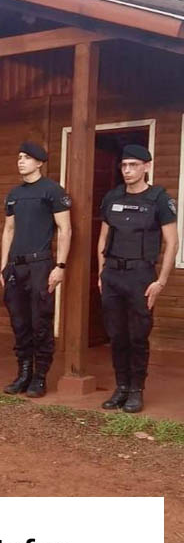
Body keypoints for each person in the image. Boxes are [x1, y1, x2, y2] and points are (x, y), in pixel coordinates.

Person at [97, 144, 178, 413]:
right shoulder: (112, 197)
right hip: (113, 274)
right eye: (124, 165)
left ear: (146, 167)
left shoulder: (159, 199)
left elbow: (172, 242)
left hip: (141, 276)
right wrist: (101, 273)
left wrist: (160, 281)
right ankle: (121, 387)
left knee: (137, 336)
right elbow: (103, 239)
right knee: (116, 334)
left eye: (133, 165)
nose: (127, 170)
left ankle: (136, 390)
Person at [0, 142, 72, 398]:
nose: (21, 161)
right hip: (15, 266)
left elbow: (65, 229)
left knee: (40, 322)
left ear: (40, 162)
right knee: (19, 322)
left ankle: (39, 377)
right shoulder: (14, 194)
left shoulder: (52, 191)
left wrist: (60, 266)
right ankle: (23, 374)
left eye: (27, 158)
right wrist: (4, 265)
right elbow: (8, 230)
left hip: (40, 265)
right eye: (19, 157)